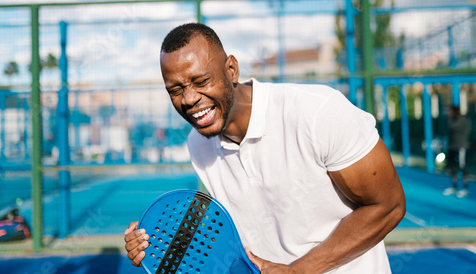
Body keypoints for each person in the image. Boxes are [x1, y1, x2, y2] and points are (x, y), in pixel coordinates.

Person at [124, 23, 406, 273]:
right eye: (175, 89)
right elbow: (238, 230)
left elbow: (388, 205)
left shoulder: (317, 112)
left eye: (201, 81)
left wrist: (299, 270)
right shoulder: (198, 143)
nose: (188, 99)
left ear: (231, 70)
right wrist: (159, 243)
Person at [443, 106, 471, 198]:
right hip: (452, 147)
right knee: (451, 168)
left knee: (462, 167)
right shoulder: (452, 120)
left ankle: (465, 188)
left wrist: (449, 120)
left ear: (454, 112)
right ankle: (454, 186)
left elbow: (454, 128)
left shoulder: (463, 120)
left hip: (460, 147)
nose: (448, 114)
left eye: (449, 112)